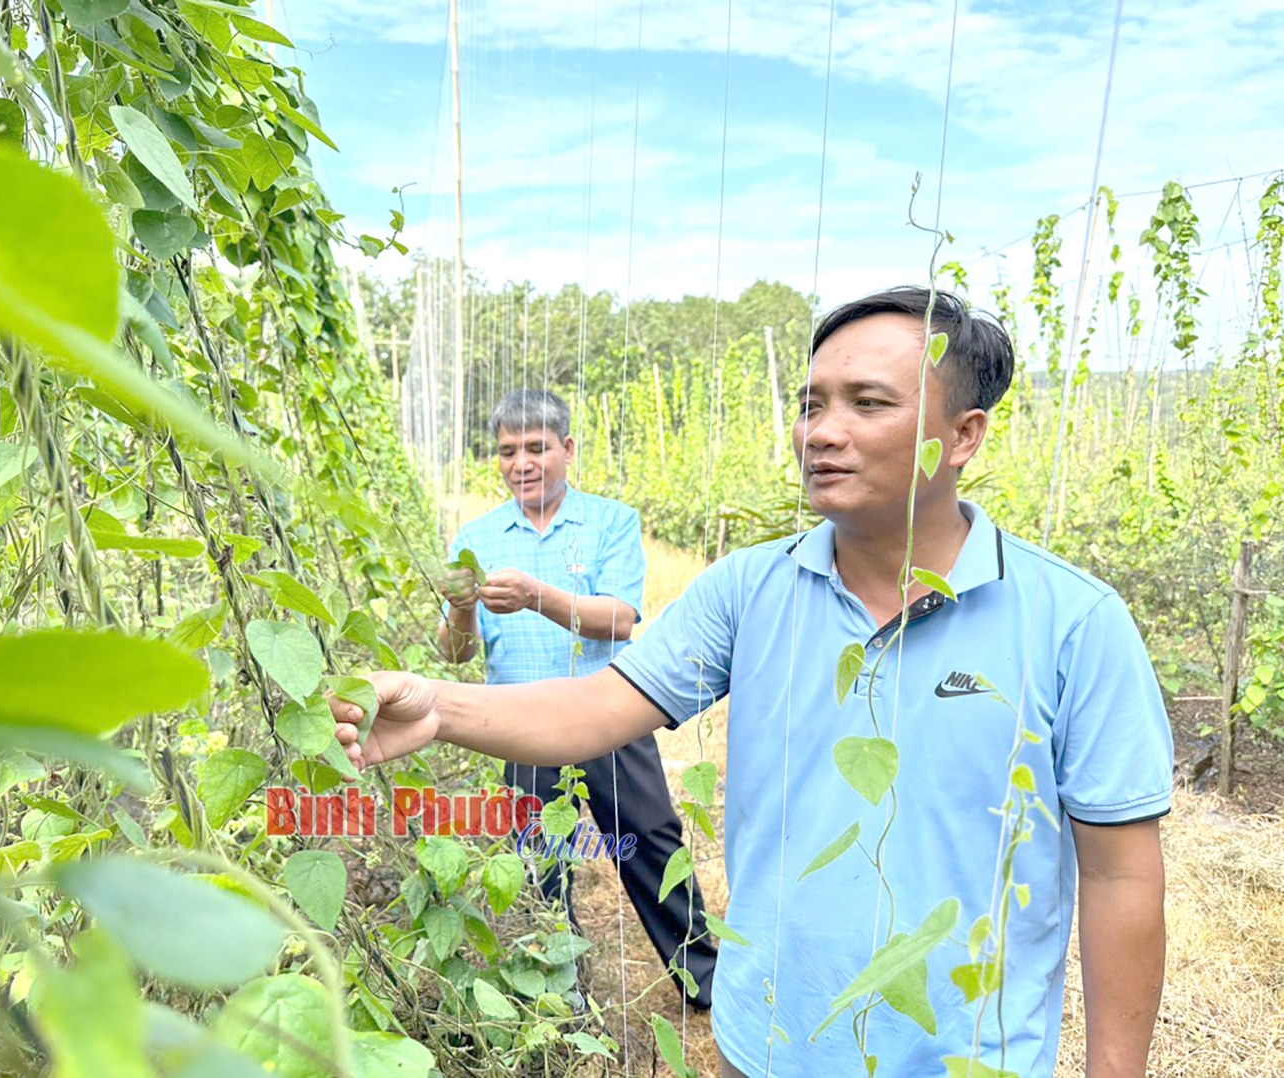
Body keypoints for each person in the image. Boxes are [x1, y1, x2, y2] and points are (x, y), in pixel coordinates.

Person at [338, 290, 1172, 1077]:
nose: (820, 432)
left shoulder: (1070, 622)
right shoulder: (748, 590)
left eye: (866, 404)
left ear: (962, 435)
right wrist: (439, 705)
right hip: (766, 1039)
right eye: (810, 405)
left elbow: (1119, 874)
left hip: (966, 1055)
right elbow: (597, 705)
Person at [436, 388, 717, 1009]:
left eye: (536, 448)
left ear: (567, 449)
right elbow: (456, 655)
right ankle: (559, 994)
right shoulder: (477, 536)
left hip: (606, 713)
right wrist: (459, 607)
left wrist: (539, 596)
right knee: (539, 857)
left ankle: (707, 983)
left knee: (648, 842)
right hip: (517, 723)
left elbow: (618, 620)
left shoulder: (610, 521)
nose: (521, 463)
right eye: (508, 451)